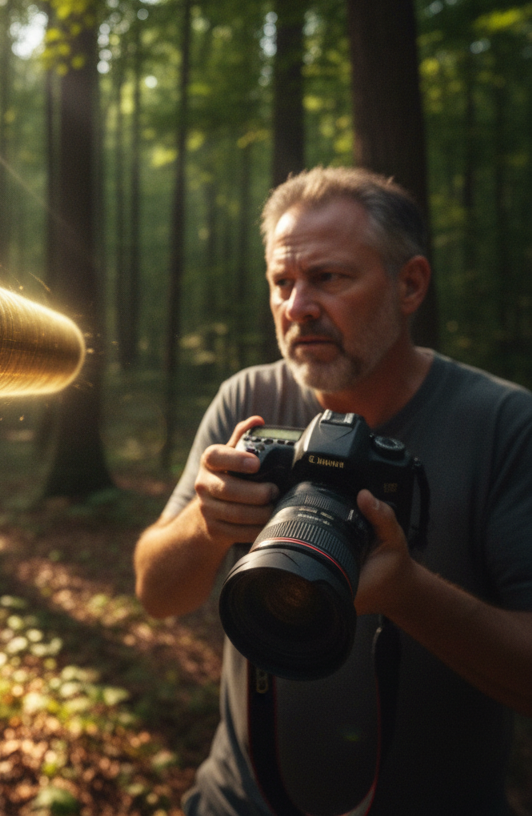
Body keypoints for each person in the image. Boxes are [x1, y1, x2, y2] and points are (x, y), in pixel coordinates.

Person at [134, 167, 532, 816]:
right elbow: (156, 594)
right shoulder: (249, 402)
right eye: (281, 283)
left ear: (410, 285)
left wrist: (408, 594)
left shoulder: (503, 426)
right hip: (235, 800)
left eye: (329, 278)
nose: (297, 308)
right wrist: (204, 527)